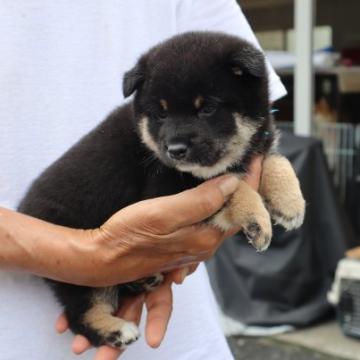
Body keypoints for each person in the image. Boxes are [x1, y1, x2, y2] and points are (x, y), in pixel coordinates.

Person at [0, 0, 286, 359]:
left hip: (178, 324)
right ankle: (88, 313)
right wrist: (86, 254)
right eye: (161, 117)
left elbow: (260, 105)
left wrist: (265, 175)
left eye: (206, 109)